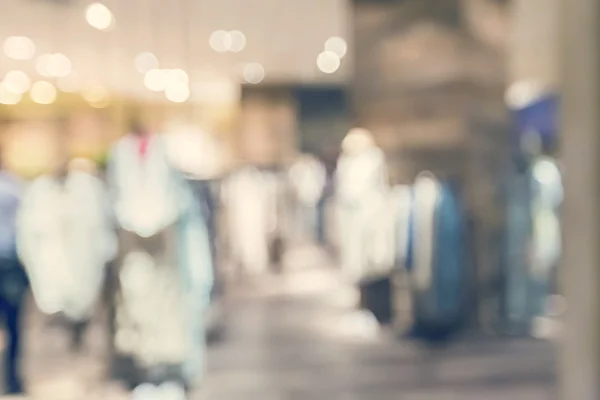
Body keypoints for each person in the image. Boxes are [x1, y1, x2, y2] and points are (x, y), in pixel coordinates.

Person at [106, 119, 213, 391]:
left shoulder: (166, 160)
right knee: (137, 313)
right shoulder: (120, 157)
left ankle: (168, 372)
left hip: (167, 258)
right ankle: (146, 371)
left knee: (167, 311)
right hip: (135, 260)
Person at [17, 150, 117, 352]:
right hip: (56, 260)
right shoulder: (40, 192)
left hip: (82, 259)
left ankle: (78, 334)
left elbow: (99, 224)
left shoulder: (86, 191)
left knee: (83, 300)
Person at [0, 153, 27, 394]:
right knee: (13, 326)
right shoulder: (14, 187)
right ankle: (12, 380)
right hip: (9, 262)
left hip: (8, 262)